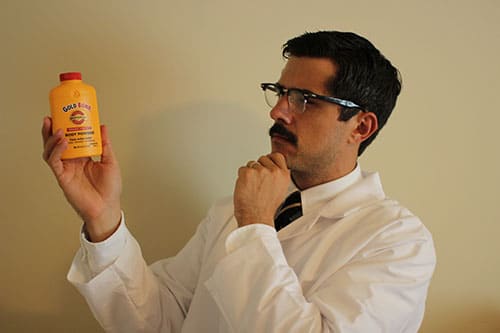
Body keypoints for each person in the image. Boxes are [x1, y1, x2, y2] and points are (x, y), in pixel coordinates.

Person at [42, 31, 436, 333]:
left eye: (304, 99)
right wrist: (103, 218)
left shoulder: (397, 241)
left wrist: (255, 227)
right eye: (280, 93)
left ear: (360, 126)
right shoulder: (232, 210)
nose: (279, 111)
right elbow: (158, 319)